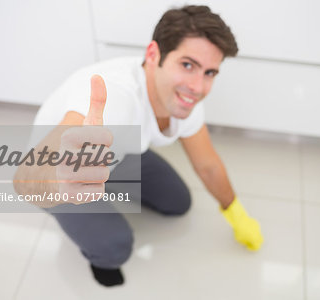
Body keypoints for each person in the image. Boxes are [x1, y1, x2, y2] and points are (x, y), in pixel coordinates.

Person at [14, 5, 263, 287]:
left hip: (121, 153)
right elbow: (26, 179)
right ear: (154, 54)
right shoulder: (116, 102)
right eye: (187, 65)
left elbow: (207, 165)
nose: (198, 87)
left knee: (178, 202)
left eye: (209, 73)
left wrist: (235, 213)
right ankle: (101, 257)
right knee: (115, 247)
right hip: (59, 174)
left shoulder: (186, 102)